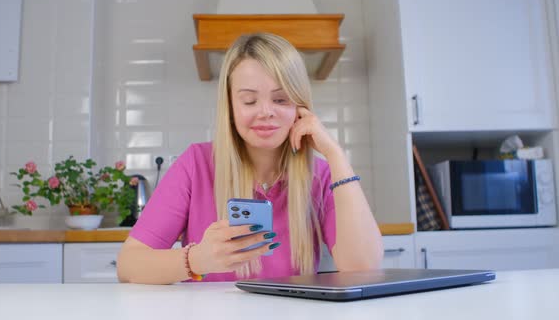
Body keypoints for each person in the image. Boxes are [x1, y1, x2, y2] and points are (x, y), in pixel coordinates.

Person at [117, 33, 383, 284]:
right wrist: (197, 260)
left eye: (280, 99)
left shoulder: (321, 175)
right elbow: (129, 265)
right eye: (249, 100)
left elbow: (363, 269)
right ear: (230, 108)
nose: (266, 112)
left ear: (299, 107)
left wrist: (335, 155)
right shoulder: (195, 164)